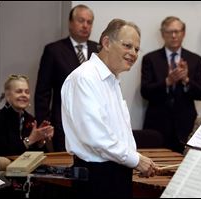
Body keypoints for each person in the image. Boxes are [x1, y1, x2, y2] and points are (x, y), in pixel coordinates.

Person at [61, 18, 158, 198]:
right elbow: (96, 137)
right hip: (96, 178)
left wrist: (135, 159)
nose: (133, 53)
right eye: (127, 45)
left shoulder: (112, 81)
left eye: (137, 49)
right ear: (106, 43)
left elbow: (120, 133)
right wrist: (135, 160)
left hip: (116, 173)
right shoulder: (85, 78)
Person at [34, 4, 98, 152]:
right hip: (63, 122)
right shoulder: (54, 50)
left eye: (89, 22)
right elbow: (43, 91)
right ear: (70, 23)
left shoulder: (99, 50)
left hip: (94, 123)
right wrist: (45, 124)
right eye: (81, 20)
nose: (85, 26)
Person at [141, 16, 201, 153]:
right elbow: (145, 91)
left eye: (177, 31)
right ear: (162, 34)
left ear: (183, 33)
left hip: (186, 124)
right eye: (169, 32)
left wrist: (186, 80)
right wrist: (167, 82)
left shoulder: (195, 59)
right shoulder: (150, 59)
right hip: (157, 124)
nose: (173, 35)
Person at [0, 75, 54, 156]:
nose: (24, 95)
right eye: (19, 91)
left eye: (27, 92)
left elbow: (37, 156)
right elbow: (4, 153)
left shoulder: (31, 119)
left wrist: (40, 141)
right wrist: (30, 140)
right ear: (8, 96)